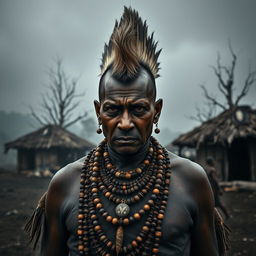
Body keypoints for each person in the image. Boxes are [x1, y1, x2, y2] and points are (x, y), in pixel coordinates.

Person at [26, 7, 229, 256]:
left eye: (138, 109)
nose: (124, 123)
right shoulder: (65, 183)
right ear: (98, 112)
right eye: (113, 110)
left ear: (157, 111)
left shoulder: (192, 181)